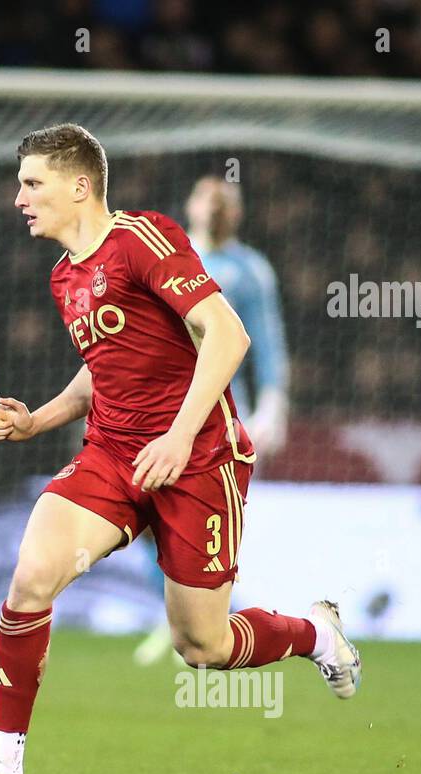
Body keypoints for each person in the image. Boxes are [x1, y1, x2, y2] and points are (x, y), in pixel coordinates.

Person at [0, 124, 359, 774]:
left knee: (202, 646)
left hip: (200, 459)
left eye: (32, 184)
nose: (19, 199)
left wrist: (182, 438)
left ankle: (315, 634)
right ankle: (3, 763)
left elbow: (229, 333)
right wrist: (39, 419)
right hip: (114, 455)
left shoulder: (142, 238)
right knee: (33, 573)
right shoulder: (66, 275)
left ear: (79, 186)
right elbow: (104, 371)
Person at [133, 175, 290, 666]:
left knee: (203, 527)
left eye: (226, 202)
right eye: (208, 200)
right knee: (140, 517)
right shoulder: (166, 258)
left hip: (215, 419)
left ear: (237, 213)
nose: (217, 209)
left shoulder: (250, 272)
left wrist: (272, 405)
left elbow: (266, 342)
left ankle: (211, 629)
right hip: (153, 412)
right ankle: (186, 622)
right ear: (192, 206)